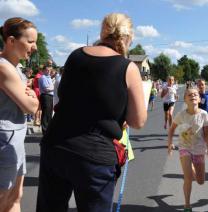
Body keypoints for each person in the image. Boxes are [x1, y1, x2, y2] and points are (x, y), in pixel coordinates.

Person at [36, 13, 147, 211]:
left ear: (102, 32)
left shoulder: (75, 56)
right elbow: (138, 120)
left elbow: (60, 97)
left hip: (56, 143)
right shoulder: (128, 67)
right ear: (129, 37)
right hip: (94, 154)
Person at [0, 17, 39, 212]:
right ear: (11, 41)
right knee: (3, 199)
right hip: (5, 141)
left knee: (16, 196)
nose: (34, 47)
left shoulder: (15, 68)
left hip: (15, 139)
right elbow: (30, 107)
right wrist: (33, 99)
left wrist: (32, 97)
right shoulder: (3, 67)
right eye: (30, 41)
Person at [168, 88, 208, 212]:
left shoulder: (204, 114)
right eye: (189, 95)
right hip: (185, 148)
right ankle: (187, 205)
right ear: (185, 99)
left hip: (199, 149)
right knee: (188, 178)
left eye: (195, 94)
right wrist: (170, 144)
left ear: (199, 99)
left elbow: (206, 133)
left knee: (200, 181)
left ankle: (193, 168)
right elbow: (171, 129)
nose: (193, 96)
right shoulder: (181, 115)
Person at [38, 64, 54, 135]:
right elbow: (46, 89)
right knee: (45, 113)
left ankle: (49, 130)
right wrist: (53, 88)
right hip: (45, 96)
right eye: (47, 70)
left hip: (50, 96)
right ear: (43, 70)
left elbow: (50, 88)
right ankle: (45, 131)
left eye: (49, 70)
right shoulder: (43, 77)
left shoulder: (49, 77)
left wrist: (51, 88)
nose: (48, 71)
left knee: (49, 113)